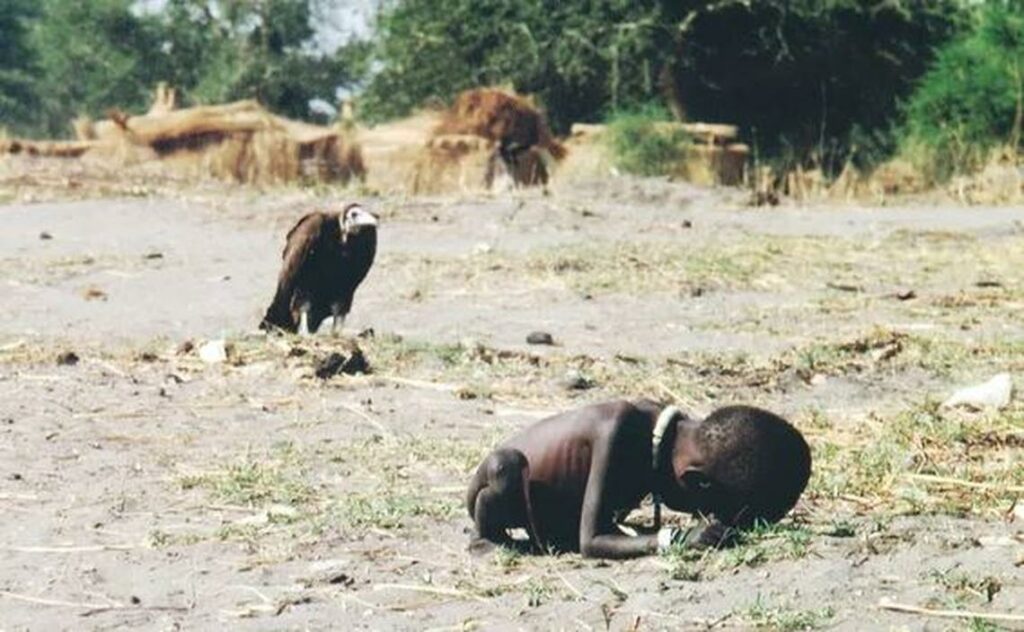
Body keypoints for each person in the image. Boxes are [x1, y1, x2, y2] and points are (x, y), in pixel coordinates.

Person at [465, 399, 811, 559]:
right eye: (705, 510)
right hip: (505, 490)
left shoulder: (670, 437)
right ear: (695, 483)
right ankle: (484, 539)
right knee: (504, 469)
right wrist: (673, 539)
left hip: (555, 513)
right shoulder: (621, 429)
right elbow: (593, 540)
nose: (700, 517)